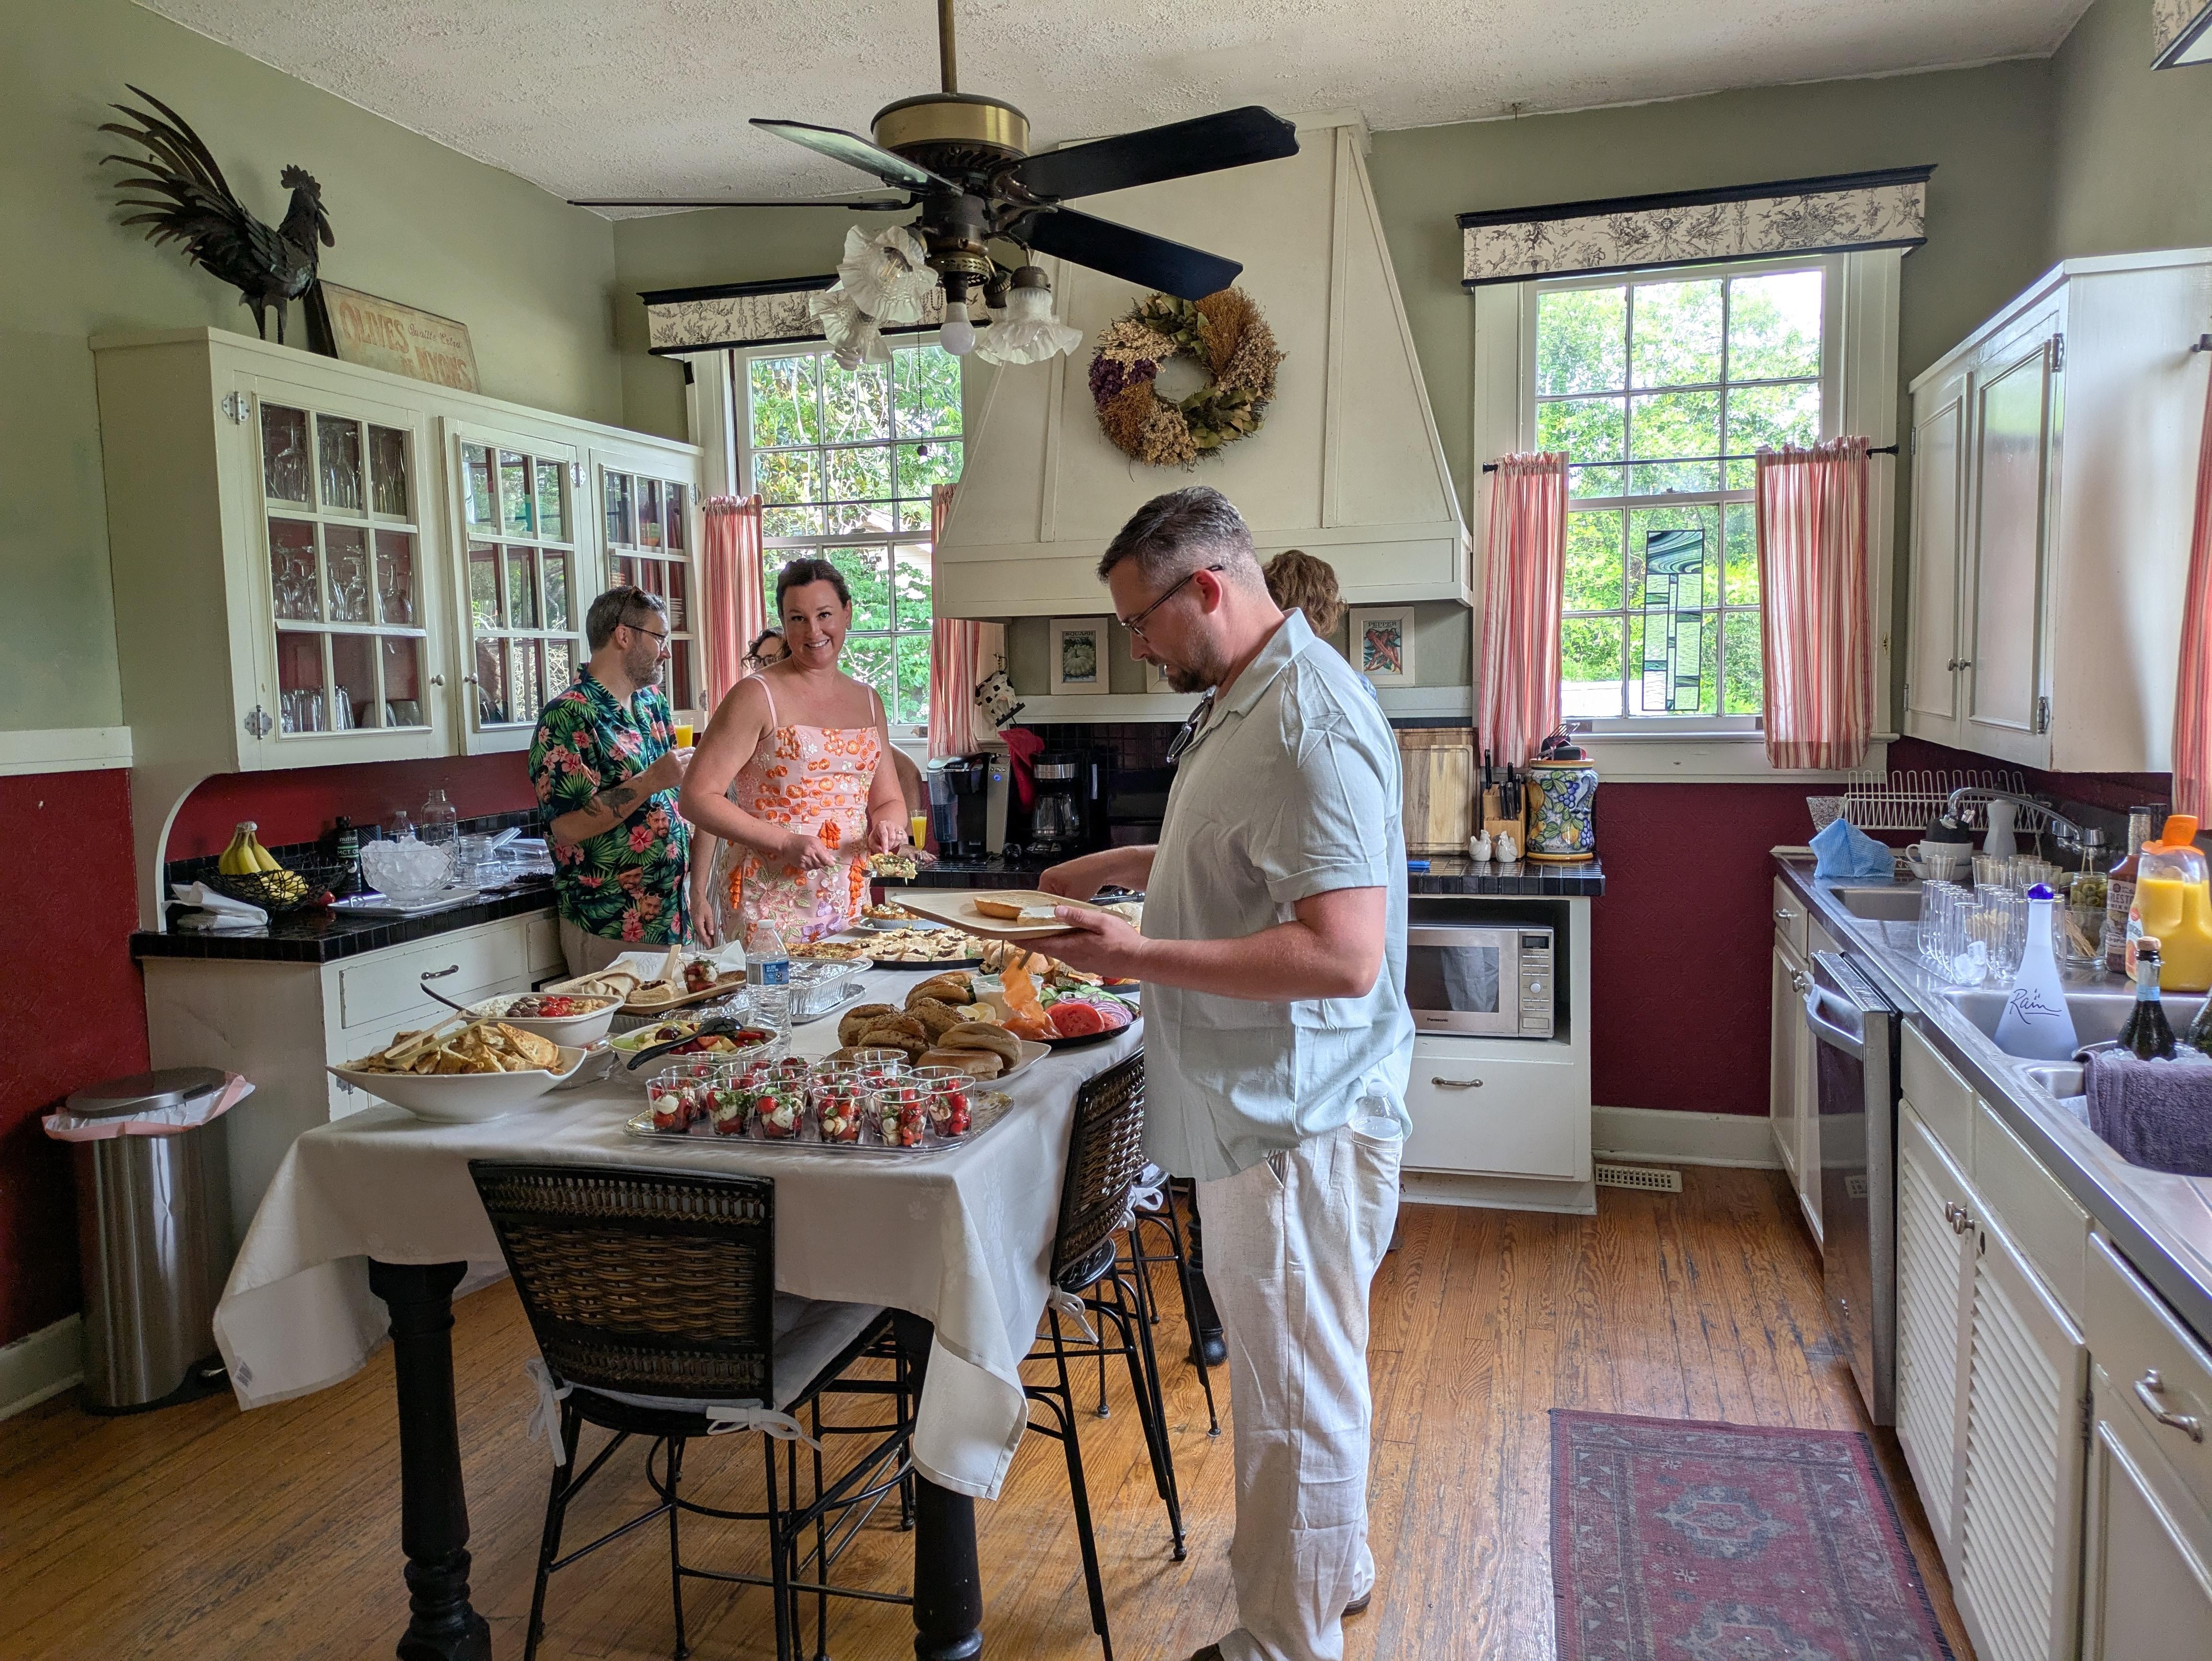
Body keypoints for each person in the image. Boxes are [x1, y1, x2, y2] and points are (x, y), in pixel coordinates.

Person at [1039, 487, 1413, 1661]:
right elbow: (1240, 849)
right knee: (1306, 1373)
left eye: (1139, 622)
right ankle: (1330, 1568)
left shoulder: (1304, 720)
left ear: (1205, 587)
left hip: (1296, 1118)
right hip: (1271, 1106)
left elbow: (1342, 955)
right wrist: (1120, 863)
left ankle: (1284, 1643)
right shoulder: (1250, 694)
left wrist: (1135, 953)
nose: (1135, 647)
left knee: (1293, 1394)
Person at [680, 557, 912, 946]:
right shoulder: (756, 695)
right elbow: (696, 797)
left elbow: (888, 800)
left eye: (824, 615)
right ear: (784, 624)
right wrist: (784, 842)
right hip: (769, 904)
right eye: (798, 619)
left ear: (847, 612)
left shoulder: (869, 701)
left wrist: (888, 826)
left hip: (849, 898)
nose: (813, 631)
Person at [529, 587, 693, 974]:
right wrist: (650, 780)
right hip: (610, 923)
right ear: (623, 635)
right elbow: (568, 827)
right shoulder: (568, 716)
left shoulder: (652, 703)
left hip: (672, 916)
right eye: (659, 638)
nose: (666, 652)